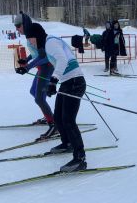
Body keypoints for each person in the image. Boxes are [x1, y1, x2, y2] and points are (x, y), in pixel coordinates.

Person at [44, 34, 87, 172]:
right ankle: (67, 143)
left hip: (74, 82)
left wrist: (53, 80)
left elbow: (62, 59)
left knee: (68, 120)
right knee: (58, 117)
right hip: (67, 81)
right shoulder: (52, 42)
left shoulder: (49, 43)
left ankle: (80, 158)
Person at [14, 11, 56, 140]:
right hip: (41, 66)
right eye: (15, 26)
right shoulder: (29, 32)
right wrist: (26, 60)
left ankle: (54, 125)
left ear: (25, 24)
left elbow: (43, 56)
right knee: (34, 92)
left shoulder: (33, 31)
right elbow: (35, 52)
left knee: (39, 98)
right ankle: (48, 115)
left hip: (47, 66)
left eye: (18, 25)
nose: (17, 28)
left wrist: (27, 67)